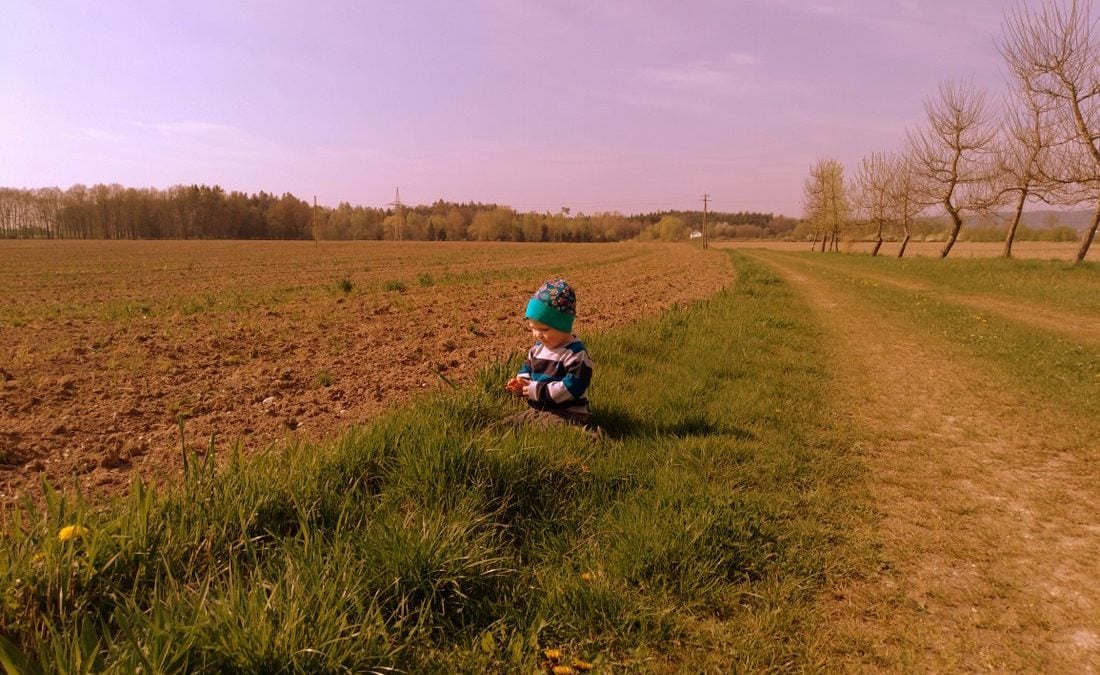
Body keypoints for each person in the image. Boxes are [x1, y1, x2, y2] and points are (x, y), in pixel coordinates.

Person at [505, 277, 594, 429]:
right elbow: (528, 367)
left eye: (544, 329)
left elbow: (570, 388)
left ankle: (595, 438)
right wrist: (522, 382)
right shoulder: (538, 349)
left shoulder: (575, 354)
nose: (537, 334)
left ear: (564, 325)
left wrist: (535, 390)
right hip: (539, 409)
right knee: (510, 423)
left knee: (552, 426)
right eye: (533, 328)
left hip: (568, 414)